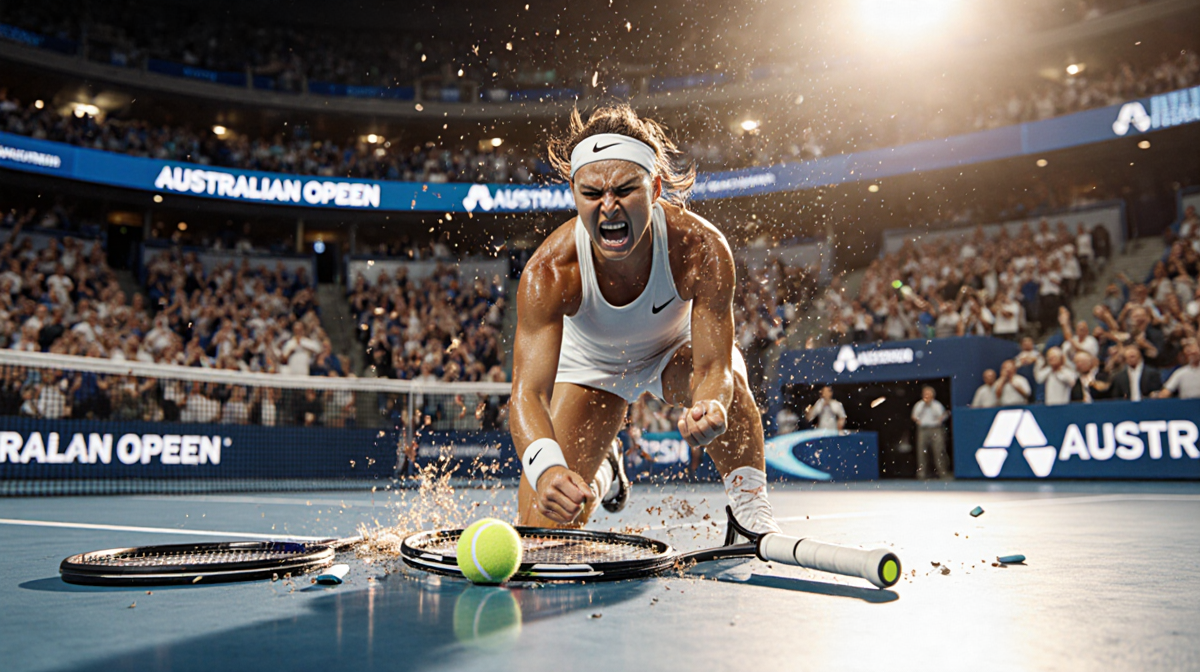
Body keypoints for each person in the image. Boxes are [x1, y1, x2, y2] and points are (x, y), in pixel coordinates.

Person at [509, 104, 780, 533]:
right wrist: (545, 470)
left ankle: (752, 515)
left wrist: (712, 405)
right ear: (574, 193)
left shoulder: (702, 248)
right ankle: (606, 476)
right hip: (591, 371)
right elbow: (527, 394)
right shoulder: (548, 272)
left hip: (674, 355)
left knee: (735, 382)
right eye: (592, 194)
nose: (609, 207)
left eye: (624, 190)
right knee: (545, 530)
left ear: (654, 188)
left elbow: (714, 368)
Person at [910, 386, 950, 480]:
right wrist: (918, 421)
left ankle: (942, 473)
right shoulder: (919, 405)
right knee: (922, 452)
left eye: (929, 394)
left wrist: (940, 420)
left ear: (933, 395)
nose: (927, 396)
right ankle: (922, 474)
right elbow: (914, 416)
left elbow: (942, 415)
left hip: (935, 429)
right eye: (925, 394)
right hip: (923, 430)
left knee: (939, 451)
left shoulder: (937, 405)